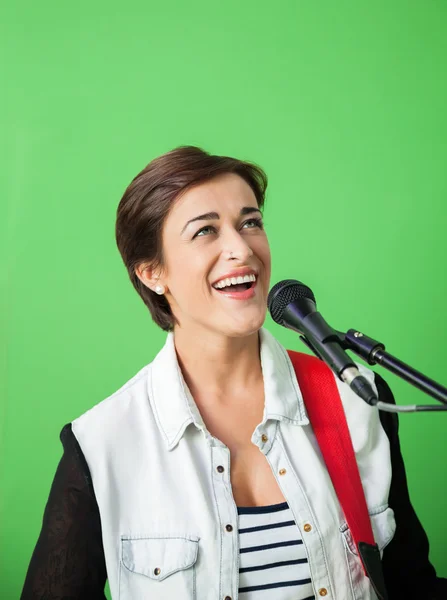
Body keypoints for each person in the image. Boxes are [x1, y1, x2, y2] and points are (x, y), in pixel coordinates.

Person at [21, 146, 446, 600]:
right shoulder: (103, 443)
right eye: (206, 230)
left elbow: (409, 581)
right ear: (151, 272)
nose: (242, 249)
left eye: (251, 222)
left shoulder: (354, 397)